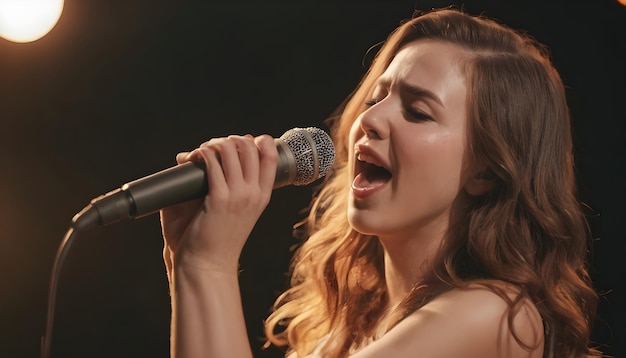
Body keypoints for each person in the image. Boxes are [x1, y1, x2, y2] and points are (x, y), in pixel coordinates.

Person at [159, 7, 602, 358]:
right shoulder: (350, 322)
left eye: (417, 111)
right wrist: (190, 263)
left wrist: (210, 265)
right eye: (376, 98)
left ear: (486, 171)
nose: (369, 119)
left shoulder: (494, 315)